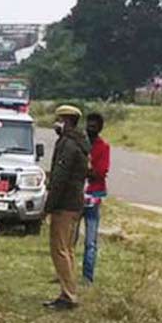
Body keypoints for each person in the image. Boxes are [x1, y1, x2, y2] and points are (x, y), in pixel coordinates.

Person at [44, 105, 89, 310]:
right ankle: (68, 291)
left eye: (60, 119)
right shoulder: (80, 142)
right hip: (75, 202)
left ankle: (69, 295)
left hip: (64, 204)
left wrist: (48, 205)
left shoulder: (68, 145)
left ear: (67, 121)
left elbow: (60, 178)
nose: (57, 123)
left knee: (59, 249)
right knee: (68, 249)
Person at [81, 112, 111, 284]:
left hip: (93, 195)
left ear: (100, 128)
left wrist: (86, 171)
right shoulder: (81, 143)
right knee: (71, 238)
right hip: (79, 193)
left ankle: (87, 276)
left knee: (90, 240)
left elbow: (101, 172)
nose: (90, 128)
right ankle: (66, 273)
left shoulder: (103, 147)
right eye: (89, 124)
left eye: (94, 125)